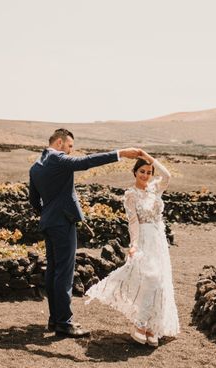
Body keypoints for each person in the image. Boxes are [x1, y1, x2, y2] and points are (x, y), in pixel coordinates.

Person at [29, 128, 142, 338]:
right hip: (62, 224)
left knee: (54, 271)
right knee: (64, 273)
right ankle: (64, 322)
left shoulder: (36, 166)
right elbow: (86, 162)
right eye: (70, 146)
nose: (70, 151)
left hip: (49, 223)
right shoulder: (57, 158)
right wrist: (121, 153)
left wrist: (49, 213)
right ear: (60, 143)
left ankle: (55, 319)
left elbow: (34, 201)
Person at [85, 151, 180, 347]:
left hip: (159, 240)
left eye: (148, 172)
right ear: (135, 172)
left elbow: (168, 176)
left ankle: (154, 326)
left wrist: (149, 157)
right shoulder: (131, 195)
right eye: (142, 171)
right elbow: (133, 222)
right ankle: (140, 324)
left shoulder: (155, 189)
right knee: (150, 278)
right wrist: (134, 244)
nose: (145, 175)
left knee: (161, 282)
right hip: (144, 239)